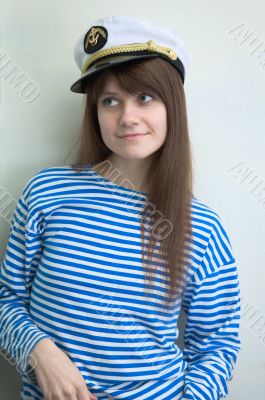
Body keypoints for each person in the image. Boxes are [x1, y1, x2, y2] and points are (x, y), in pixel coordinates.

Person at [0, 15, 241, 400]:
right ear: (95, 112)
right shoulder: (47, 191)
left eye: (145, 97)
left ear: (171, 107)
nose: (127, 117)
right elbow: (6, 299)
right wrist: (39, 352)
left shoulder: (203, 227)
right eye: (110, 101)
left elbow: (216, 344)